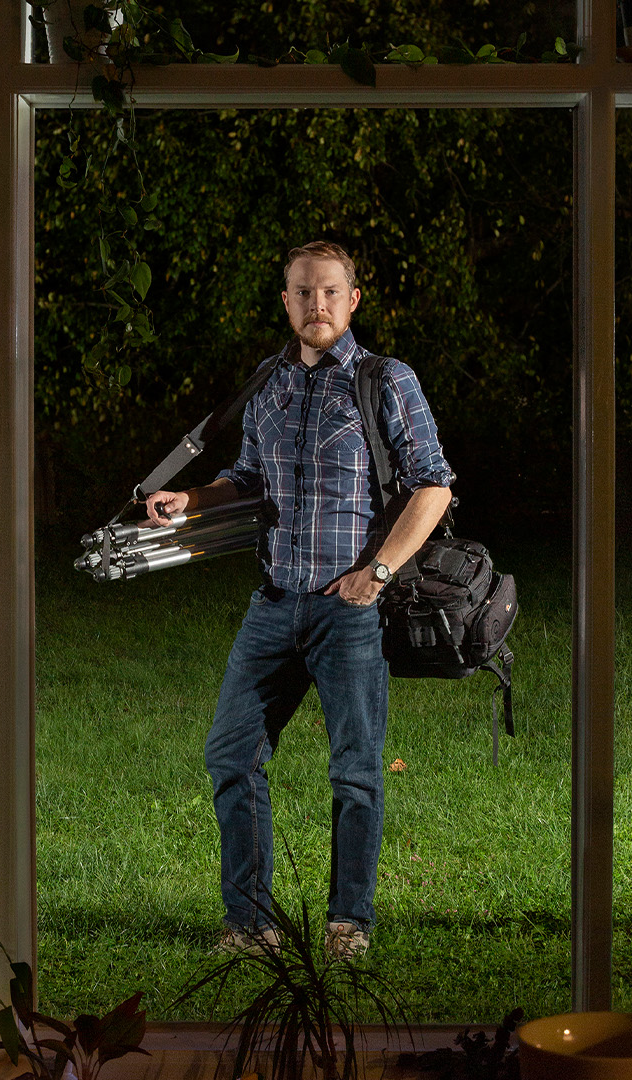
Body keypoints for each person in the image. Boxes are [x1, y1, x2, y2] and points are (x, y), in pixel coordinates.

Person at [143, 241, 454, 961]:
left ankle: (350, 924)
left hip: (348, 612)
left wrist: (376, 573)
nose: (317, 305)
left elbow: (432, 485)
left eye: (330, 293)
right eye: (303, 293)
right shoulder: (268, 382)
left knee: (354, 769)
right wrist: (189, 497)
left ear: (353, 301)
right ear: (286, 302)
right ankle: (251, 925)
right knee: (230, 755)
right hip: (275, 605)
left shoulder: (386, 380)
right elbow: (247, 476)